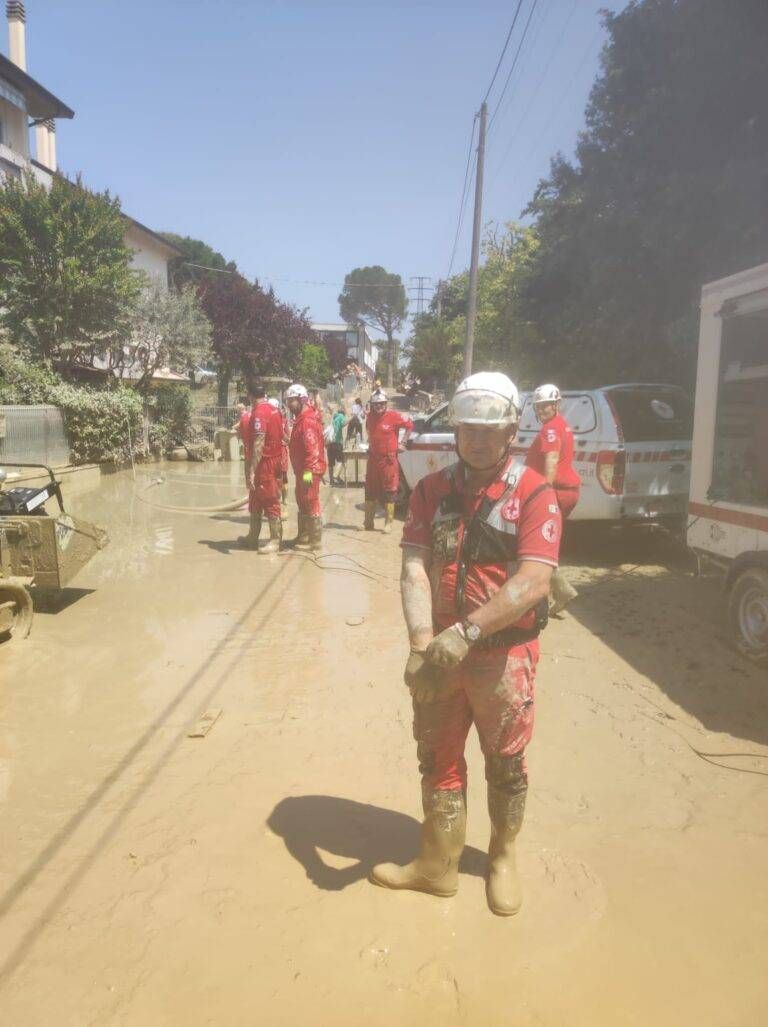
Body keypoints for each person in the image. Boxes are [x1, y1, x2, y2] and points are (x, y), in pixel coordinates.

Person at [370, 372, 562, 916]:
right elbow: (413, 564)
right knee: (436, 754)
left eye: (490, 429)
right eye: (467, 428)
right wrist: (419, 640)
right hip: (439, 652)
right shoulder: (431, 490)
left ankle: (501, 857)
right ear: (455, 430)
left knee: (505, 763)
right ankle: (438, 863)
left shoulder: (533, 493)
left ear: (511, 431)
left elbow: (534, 582)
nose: (477, 439)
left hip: (505, 656)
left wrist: (467, 631)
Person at [524, 384, 580, 614]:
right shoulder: (562, 425)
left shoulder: (550, 430)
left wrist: (543, 493)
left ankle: (553, 592)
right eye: (538, 406)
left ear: (556, 404)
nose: (542, 409)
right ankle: (556, 591)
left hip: (554, 492)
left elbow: (552, 460)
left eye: (546, 405)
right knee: (545, 544)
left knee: (535, 547)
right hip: (565, 492)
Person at [237, 384, 284, 553]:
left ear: (250, 396)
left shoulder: (259, 412)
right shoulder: (275, 410)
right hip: (274, 459)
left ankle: (275, 540)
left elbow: (258, 442)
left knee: (270, 499)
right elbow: (284, 436)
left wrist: (251, 470)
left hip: (265, 463)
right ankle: (252, 537)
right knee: (255, 499)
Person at [363, 390, 413, 533]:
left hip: (388, 460)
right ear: (372, 405)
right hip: (373, 459)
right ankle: (368, 522)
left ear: (385, 404)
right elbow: (369, 432)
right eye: (376, 404)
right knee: (369, 490)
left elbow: (410, 425)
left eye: (381, 404)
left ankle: (388, 523)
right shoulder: (370, 417)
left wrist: (403, 442)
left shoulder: (393, 416)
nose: (378, 406)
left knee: (390, 491)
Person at [286, 383, 327, 552]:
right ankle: (303, 536)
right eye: (288, 401)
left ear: (302, 400)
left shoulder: (307, 421)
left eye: (292, 401)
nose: (289, 405)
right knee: (301, 499)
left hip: (310, 470)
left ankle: (315, 541)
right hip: (302, 469)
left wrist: (308, 474)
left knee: (310, 500)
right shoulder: (301, 419)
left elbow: (313, 451)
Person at [269, 397, 290, 521]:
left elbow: (288, 436)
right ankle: (275, 504)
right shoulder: (267, 420)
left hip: (282, 452)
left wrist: (285, 439)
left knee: (283, 476)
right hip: (272, 453)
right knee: (274, 478)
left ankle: (285, 499)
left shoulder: (284, 421)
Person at [326, 405, 346, 485]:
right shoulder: (341, 416)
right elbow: (343, 424)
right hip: (337, 442)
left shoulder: (334, 417)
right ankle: (336, 475)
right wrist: (351, 419)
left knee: (331, 463)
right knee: (341, 460)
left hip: (330, 443)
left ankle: (331, 481)